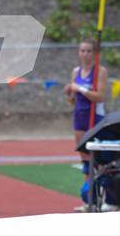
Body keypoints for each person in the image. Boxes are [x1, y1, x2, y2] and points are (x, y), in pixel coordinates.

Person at [64, 38, 108, 211]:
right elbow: (72, 101)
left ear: (94, 53)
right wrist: (69, 93)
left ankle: (103, 197)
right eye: (82, 50)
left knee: (98, 160)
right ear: (78, 52)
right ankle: (88, 199)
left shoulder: (100, 72)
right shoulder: (76, 72)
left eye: (89, 51)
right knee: (85, 160)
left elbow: (100, 96)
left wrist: (80, 89)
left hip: (95, 117)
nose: (85, 54)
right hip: (80, 117)